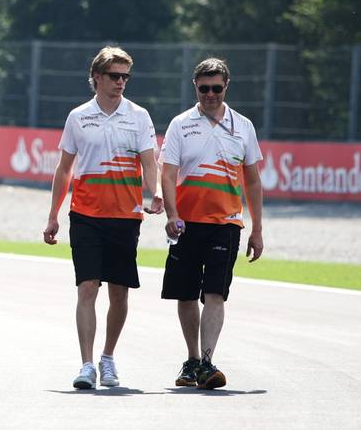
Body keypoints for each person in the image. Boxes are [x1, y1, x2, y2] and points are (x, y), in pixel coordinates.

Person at [43, 47, 162, 390]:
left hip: (125, 215)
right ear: (97, 77)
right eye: (114, 76)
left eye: (125, 76)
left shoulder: (139, 116)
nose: (121, 82)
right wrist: (53, 215)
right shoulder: (78, 117)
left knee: (119, 293)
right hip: (85, 214)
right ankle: (86, 365)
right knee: (87, 287)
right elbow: (64, 169)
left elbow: (149, 161)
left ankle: (107, 357)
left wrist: (154, 192)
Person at [160, 57, 264, 390]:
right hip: (187, 222)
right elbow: (168, 173)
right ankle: (192, 360)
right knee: (186, 293)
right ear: (195, 87)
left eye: (216, 88)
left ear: (226, 86)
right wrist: (172, 214)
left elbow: (253, 182)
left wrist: (257, 229)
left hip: (226, 222)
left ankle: (206, 362)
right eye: (203, 88)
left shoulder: (243, 126)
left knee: (215, 292)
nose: (210, 95)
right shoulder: (180, 124)